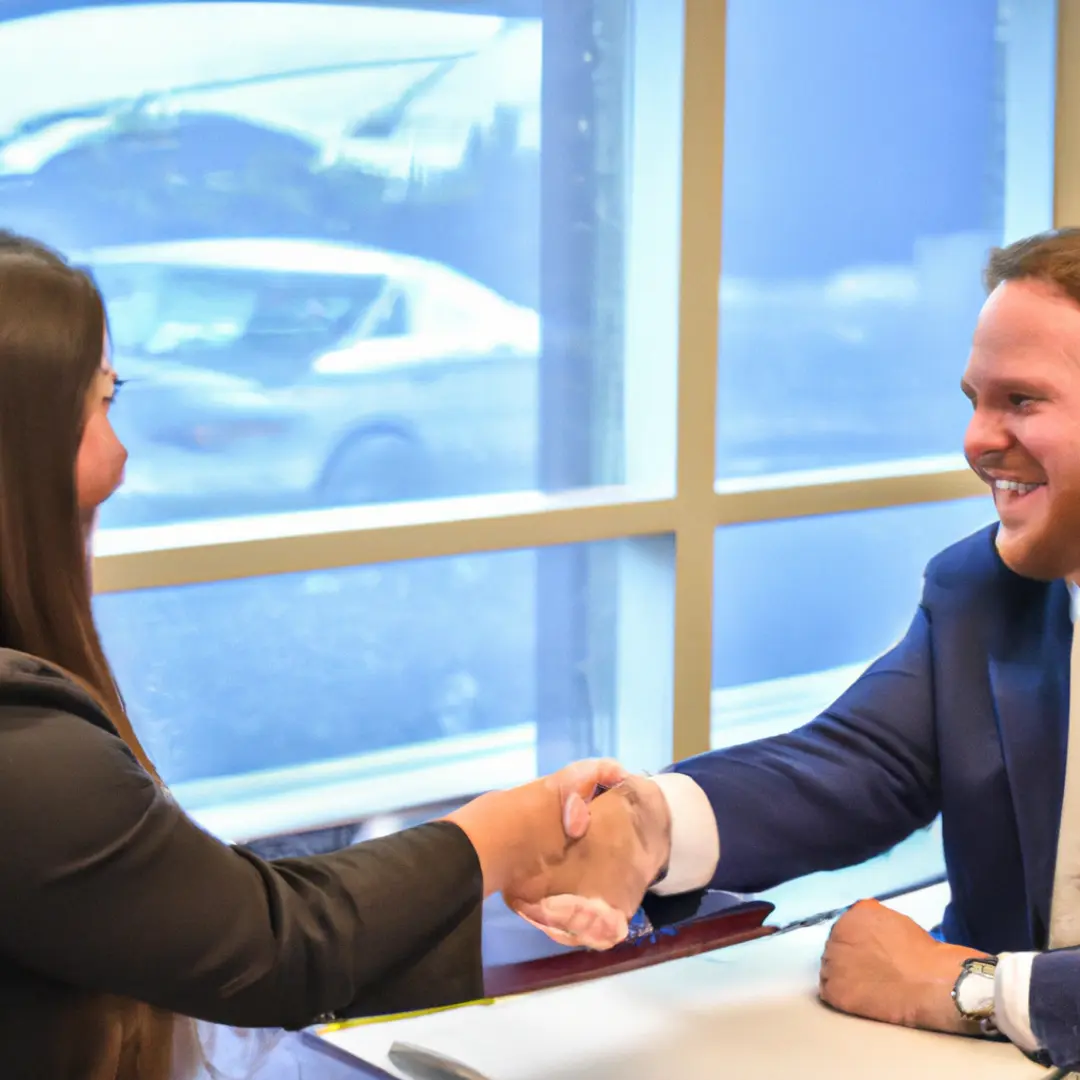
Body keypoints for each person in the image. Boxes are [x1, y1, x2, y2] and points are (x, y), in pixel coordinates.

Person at [0, 232, 630, 1080]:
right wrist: (497, 839)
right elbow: (272, 948)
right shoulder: (26, 750)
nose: (120, 455)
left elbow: (185, 912)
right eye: (103, 401)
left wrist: (466, 875)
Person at [529, 228, 1080, 1073]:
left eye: (1022, 401)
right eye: (973, 398)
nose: (975, 441)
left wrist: (969, 989)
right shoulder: (982, 589)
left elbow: (961, 982)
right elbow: (853, 766)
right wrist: (649, 825)